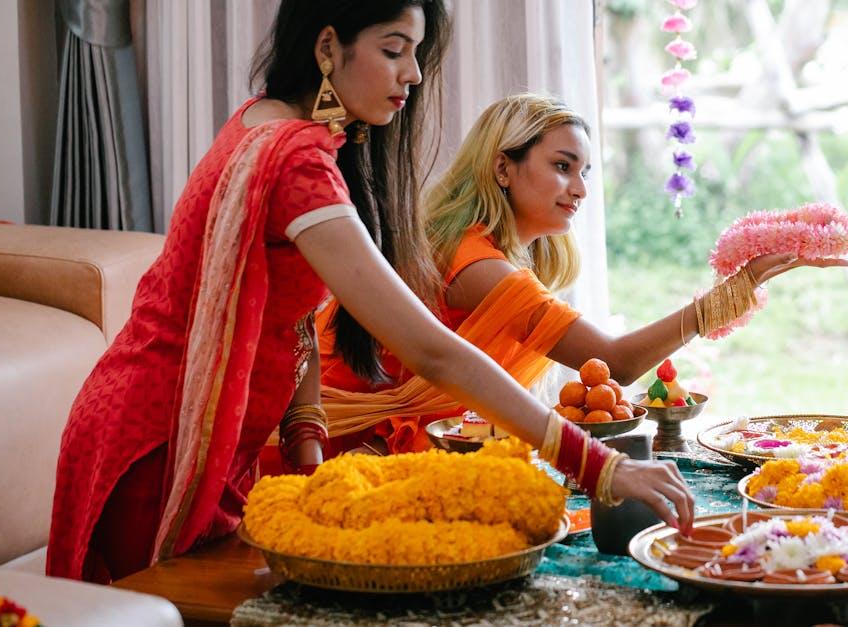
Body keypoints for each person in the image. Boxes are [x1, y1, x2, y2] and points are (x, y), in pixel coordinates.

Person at [47, 2, 692, 584]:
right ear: (327, 48)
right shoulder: (295, 160)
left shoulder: (268, 126)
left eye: (416, 53)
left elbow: (289, 309)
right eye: (393, 49)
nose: (412, 74)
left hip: (173, 426)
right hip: (155, 442)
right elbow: (431, 352)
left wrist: (305, 442)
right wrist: (601, 466)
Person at [316, 93, 848, 455]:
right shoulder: (475, 264)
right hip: (355, 451)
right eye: (562, 165)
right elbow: (611, 363)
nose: (579, 188)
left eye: (584, 171)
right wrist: (735, 292)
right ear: (503, 167)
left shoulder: (480, 248)